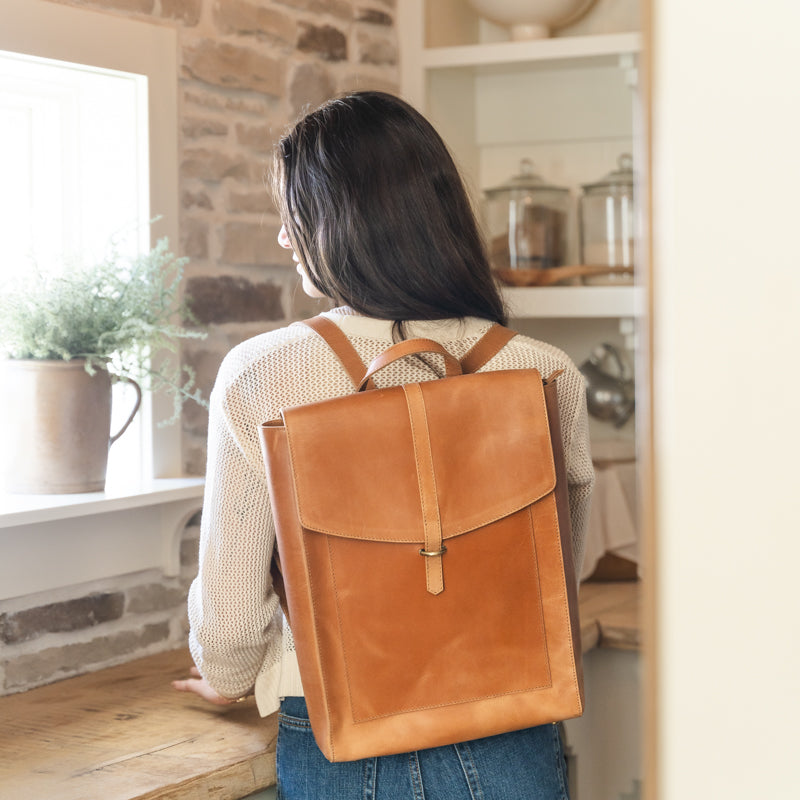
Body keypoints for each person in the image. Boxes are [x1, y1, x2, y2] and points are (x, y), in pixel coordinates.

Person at [173, 90, 594, 800]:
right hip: (513, 721)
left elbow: (232, 622)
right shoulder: (547, 370)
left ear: (339, 225)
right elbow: (558, 575)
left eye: (292, 216)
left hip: (341, 732)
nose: (283, 238)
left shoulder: (261, 372)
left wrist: (226, 673)